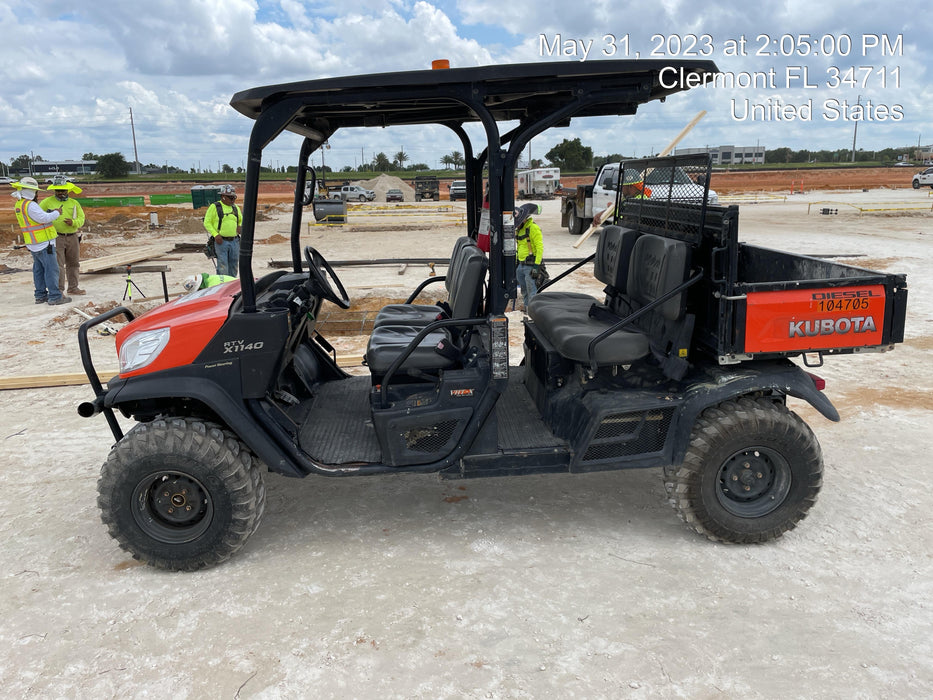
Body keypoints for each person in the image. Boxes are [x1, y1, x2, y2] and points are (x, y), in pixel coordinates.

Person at [12, 177, 69, 305]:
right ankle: (55, 296)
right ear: (31, 192)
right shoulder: (30, 205)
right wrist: (56, 213)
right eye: (36, 192)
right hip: (44, 243)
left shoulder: (19, 204)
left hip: (33, 243)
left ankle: (40, 295)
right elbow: (44, 218)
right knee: (51, 270)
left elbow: (33, 220)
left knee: (39, 270)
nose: (37, 194)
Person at [40, 180, 86, 295]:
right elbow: (39, 217)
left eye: (63, 190)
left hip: (72, 237)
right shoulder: (47, 202)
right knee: (58, 265)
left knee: (74, 263)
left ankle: (73, 288)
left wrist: (74, 222)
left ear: (68, 191)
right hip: (56, 237)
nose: (60, 193)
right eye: (58, 191)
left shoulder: (74, 203)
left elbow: (82, 218)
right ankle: (59, 290)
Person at [203, 184, 241, 277]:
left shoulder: (235, 208)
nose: (232, 200)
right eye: (230, 198)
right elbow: (207, 222)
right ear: (223, 197)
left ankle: (232, 283)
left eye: (233, 198)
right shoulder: (215, 207)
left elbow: (240, 220)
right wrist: (215, 234)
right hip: (221, 242)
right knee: (223, 265)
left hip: (235, 241)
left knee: (234, 265)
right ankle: (223, 285)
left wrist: (239, 226)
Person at [514, 202, 543, 307]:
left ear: (524, 219)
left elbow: (540, 248)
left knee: (532, 291)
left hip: (530, 265)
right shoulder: (519, 230)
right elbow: (519, 247)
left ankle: (532, 310)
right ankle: (527, 308)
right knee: (524, 290)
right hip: (521, 265)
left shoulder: (533, 228)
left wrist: (536, 266)